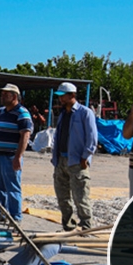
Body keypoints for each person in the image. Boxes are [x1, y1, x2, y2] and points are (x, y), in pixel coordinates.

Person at [50, 82, 98, 231]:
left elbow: (92, 137)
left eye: (63, 96)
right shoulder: (63, 114)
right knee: (62, 196)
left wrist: (85, 157)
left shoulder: (85, 113)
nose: (60, 99)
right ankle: (68, 226)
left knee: (81, 196)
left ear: (72, 95)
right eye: (59, 97)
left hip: (77, 161)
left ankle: (86, 226)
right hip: (61, 160)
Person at [0, 83, 33, 223]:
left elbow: (25, 135)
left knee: (12, 187)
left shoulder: (22, 113)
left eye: (6, 94)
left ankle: (15, 217)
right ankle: (1, 214)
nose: (3, 97)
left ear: (14, 97)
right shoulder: (2, 113)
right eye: (2, 94)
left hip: (11, 156)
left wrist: (18, 156)